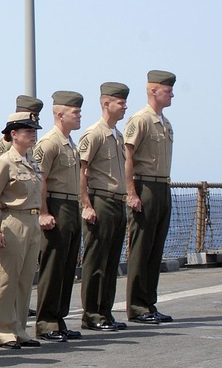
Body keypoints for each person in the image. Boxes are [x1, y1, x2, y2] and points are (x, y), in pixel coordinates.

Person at [0, 113, 44, 348]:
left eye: (33, 131)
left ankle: (19, 328)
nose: (32, 135)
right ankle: (2, 331)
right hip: (12, 220)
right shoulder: (5, 162)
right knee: (6, 279)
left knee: (24, 279)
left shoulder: (32, 161)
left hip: (32, 221)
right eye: (27, 131)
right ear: (14, 134)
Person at [124, 70, 177, 324]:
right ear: (154, 90)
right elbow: (128, 157)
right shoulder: (141, 120)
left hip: (162, 187)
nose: (172, 94)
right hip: (144, 186)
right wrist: (131, 192)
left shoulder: (164, 123)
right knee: (141, 247)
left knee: (155, 248)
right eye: (168, 90)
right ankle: (136, 305)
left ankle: (148, 302)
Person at [78, 82, 130, 331]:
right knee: (96, 261)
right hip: (101, 200)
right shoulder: (94, 134)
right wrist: (86, 205)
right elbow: (82, 172)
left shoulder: (118, 136)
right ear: (106, 103)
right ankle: (91, 314)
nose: (125, 107)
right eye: (120, 102)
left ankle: (105, 311)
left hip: (118, 203)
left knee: (111, 262)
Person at [33, 91, 85, 342]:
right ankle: (46, 322)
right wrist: (43, 212)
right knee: (53, 266)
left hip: (71, 205)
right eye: (75, 112)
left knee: (67, 266)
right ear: (60, 114)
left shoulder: (69, 143)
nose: (79, 115)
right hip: (56, 203)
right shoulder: (50, 143)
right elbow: (41, 179)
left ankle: (59, 317)